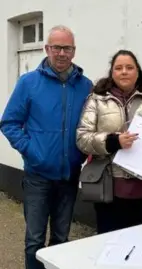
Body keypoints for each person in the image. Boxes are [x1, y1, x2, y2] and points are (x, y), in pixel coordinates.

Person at [0, 25, 92, 269]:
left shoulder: (85, 85)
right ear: (47, 49)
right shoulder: (28, 82)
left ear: (74, 51)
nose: (61, 53)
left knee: (61, 240)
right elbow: (9, 123)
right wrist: (32, 152)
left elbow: (91, 126)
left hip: (69, 176)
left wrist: (82, 154)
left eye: (67, 48)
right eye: (56, 47)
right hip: (37, 177)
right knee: (34, 241)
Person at [76, 49, 142, 234]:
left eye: (129, 67)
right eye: (119, 68)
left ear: (137, 72)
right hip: (109, 185)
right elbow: (82, 138)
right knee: (109, 240)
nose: (124, 72)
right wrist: (113, 141)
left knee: (139, 240)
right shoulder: (96, 100)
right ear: (112, 73)